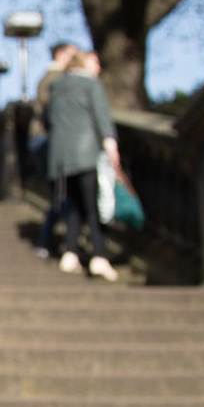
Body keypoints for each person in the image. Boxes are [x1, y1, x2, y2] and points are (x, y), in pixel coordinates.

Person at [47, 50, 121, 282]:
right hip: (87, 154)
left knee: (75, 205)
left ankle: (70, 252)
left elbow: (51, 118)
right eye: (96, 61)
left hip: (61, 157)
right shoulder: (91, 85)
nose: (99, 66)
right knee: (93, 206)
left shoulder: (57, 87)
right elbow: (102, 117)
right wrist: (111, 146)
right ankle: (99, 255)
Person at [32, 41, 80, 257]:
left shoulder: (50, 78)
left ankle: (56, 242)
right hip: (48, 140)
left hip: (47, 140)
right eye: (72, 53)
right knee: (62, 194)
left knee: (61, 194)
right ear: (61, 55)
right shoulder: (55, 79)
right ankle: (53, 243)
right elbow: (50, 110)